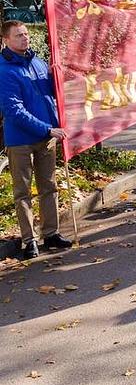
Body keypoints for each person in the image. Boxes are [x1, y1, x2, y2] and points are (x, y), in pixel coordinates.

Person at [0, 20, 73, 259]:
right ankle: (29, 239)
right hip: (21, 140)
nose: (25, 39)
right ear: (6, 40)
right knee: (23, 192)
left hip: (46, 138)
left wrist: (55, 78)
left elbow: (49, 95)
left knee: (49, 187)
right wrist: (47, 129)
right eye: (18, 36)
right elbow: (14, 111)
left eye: (26, 34)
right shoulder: (4, 70)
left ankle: (51, 233)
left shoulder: (38, 63)